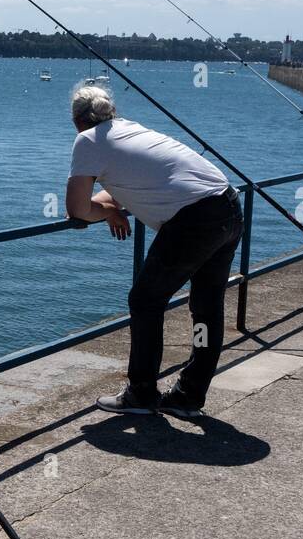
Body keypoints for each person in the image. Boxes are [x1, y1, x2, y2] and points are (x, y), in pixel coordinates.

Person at [65, 85, 243, 419]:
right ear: (111, 112)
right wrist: (109, 208)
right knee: (207, 308)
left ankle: (142, 393)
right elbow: (119, 193)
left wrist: (103, 212)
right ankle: (188, 396)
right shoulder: (131, 129)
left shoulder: (87, 141)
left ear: (77, 121)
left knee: (145, 300)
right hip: (228, 207)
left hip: (194, 221)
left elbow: (76, 209)